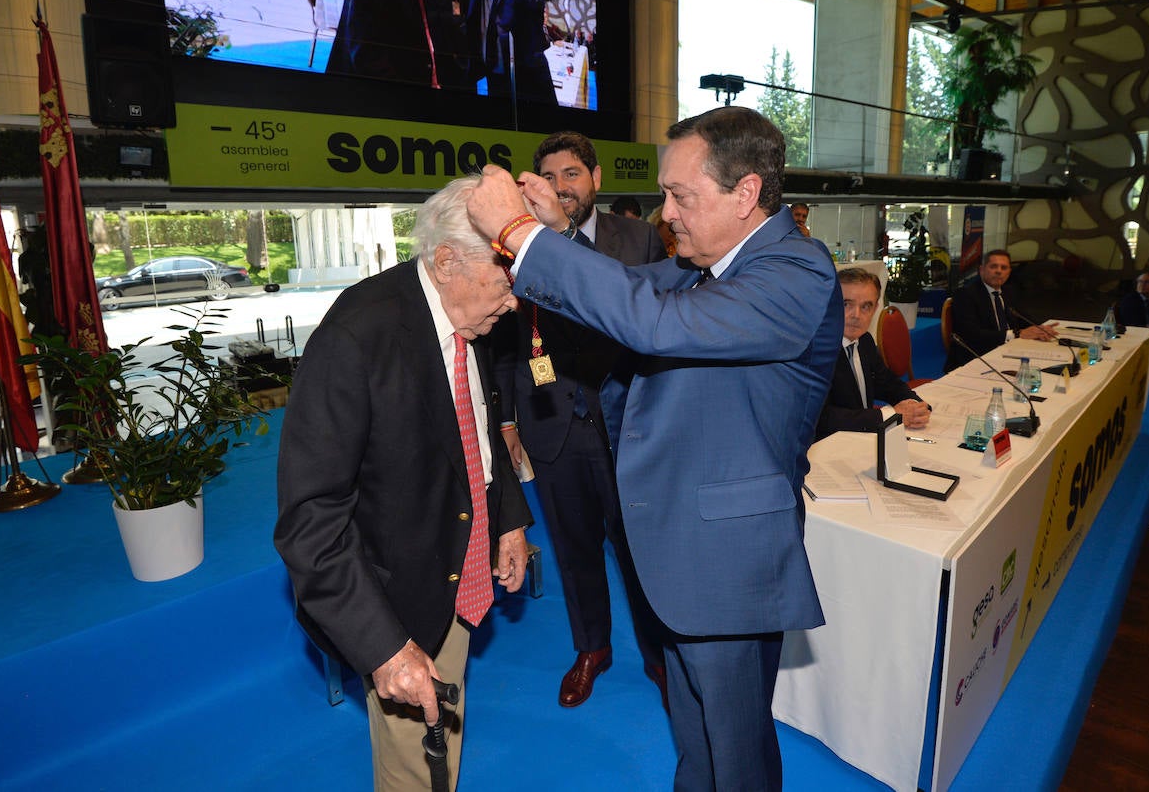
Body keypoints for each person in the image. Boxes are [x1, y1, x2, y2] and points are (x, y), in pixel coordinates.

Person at [467, 105, 841, 791]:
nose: (666, 214)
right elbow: (630, 289)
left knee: (737, 754)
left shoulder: (796, 272)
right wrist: (552, 232)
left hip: (726, 562)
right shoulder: (709, 263)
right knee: (697, 735)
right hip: (682, 547)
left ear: (746, 192)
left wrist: (519, 233)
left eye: (681, 195)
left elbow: (656, 324)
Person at [274, 176, 533, 792]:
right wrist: (385, 647)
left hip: (458, 566)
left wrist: (509, 518)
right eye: (505, 281)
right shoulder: (355, 339)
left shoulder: (469, 316)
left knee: (443, 740)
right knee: (418, 765)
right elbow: (310, 522)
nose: (515, 300)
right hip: (399, 599)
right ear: (448, 261)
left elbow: (480, 429)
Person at [493, 131, 667, 709]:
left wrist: (559, 243)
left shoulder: (638, 239)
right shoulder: (512, 244)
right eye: (548, 176)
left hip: (628, 426)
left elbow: (642, 317)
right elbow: (503, 342)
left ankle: (657, 654)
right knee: (574, 550)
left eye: (572, 174)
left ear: (595, 178)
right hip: (552, 424)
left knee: (639, 549)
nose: (561, 186)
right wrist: (507, 418)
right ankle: (592, 648)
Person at [817, 267, 930, 440]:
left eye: (866, 306)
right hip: (826, 446)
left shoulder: (865, 341)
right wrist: (892, 415)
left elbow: (887, 383)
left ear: (876, 308)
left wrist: (914, 406)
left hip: (864, 438)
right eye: (846, 304)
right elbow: (822, 417)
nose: (856, 315)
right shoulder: (814, 349)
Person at [945, 248, 1058, 371]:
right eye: (993, 267)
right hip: (976, 359)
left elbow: (1022, 318)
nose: (999, 271)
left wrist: (1040, 328)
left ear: (1009, 272)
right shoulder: (966, 294)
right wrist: (1016, 334)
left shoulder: (1009, 291)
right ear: (982, 270)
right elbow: (972, 334)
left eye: (1004, 268)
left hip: (1008, 350)